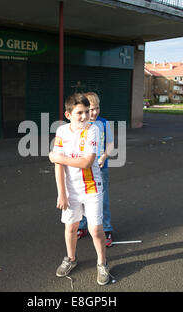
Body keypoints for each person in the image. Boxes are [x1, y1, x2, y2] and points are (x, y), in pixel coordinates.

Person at [49, 93, 110, 286]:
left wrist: (56, 157)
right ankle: (71, 259)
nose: (85, 116)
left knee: (96, 229)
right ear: (68, 115)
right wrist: (62, 193)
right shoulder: (61, 132)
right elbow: (59, 167)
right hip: (70, 190)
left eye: (86, 112)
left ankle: (102, 263)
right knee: (71, 227)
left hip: (92, 188)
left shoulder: (92, 130)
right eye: (79, 113)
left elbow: (86, 162)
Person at [76, 92, 114, 247]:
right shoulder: (79, 125)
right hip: (83, 168)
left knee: (102, 200)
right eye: (91, 109)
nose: (94, 112)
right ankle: (83, 226)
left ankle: (106, 229)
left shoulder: (104, 123)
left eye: (97, 108)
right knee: (82, 198)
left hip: (100, 168)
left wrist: (104, 157)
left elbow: (110, 144)